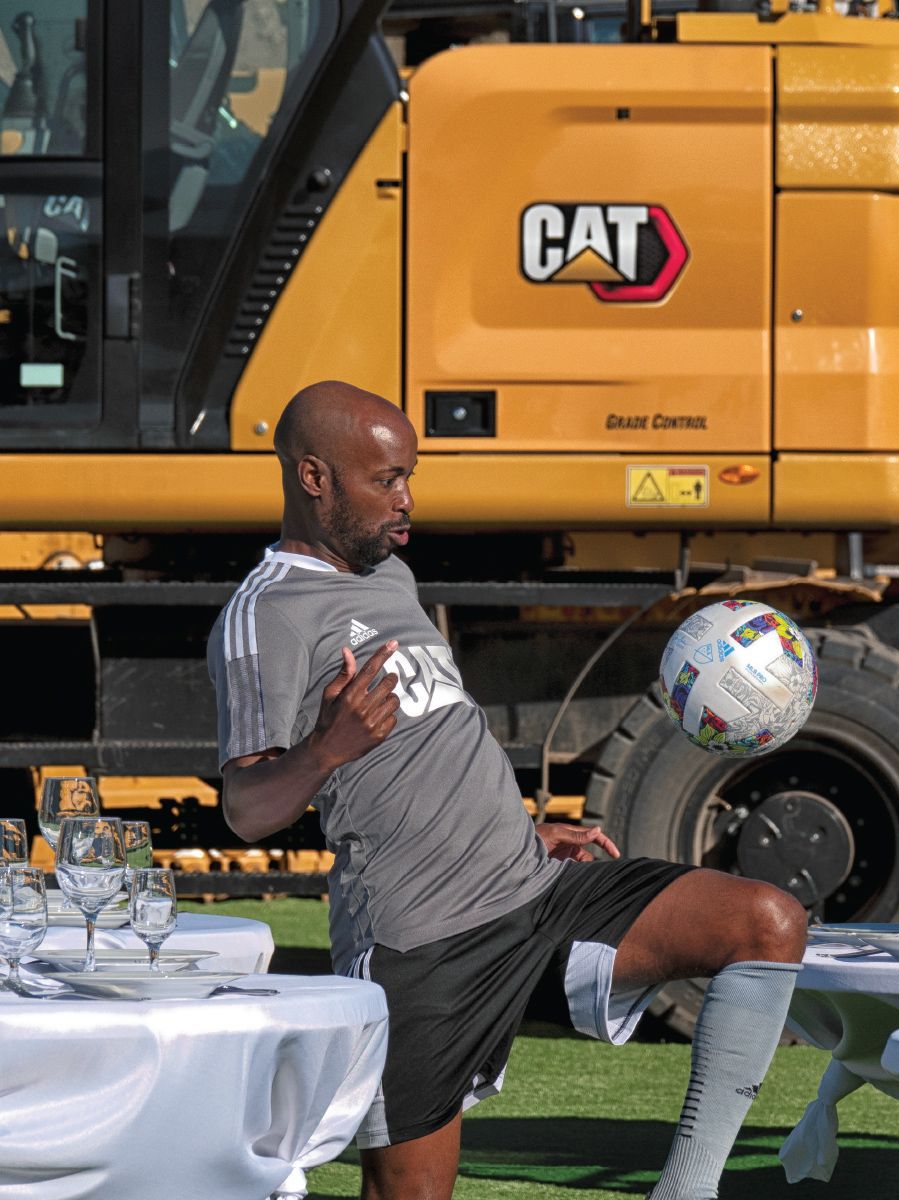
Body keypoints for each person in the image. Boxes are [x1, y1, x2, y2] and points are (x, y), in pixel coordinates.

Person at [210, 380, 806, 1200]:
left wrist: (522, 835)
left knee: (766, 923)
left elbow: (434, 738)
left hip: (534, 893)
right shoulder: (266, 613)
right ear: (314, 478)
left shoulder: (392, 580)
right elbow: (245, 810)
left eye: (409, 476)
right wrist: (325, 748)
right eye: (386, 480)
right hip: (420, 944)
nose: (406, 499)